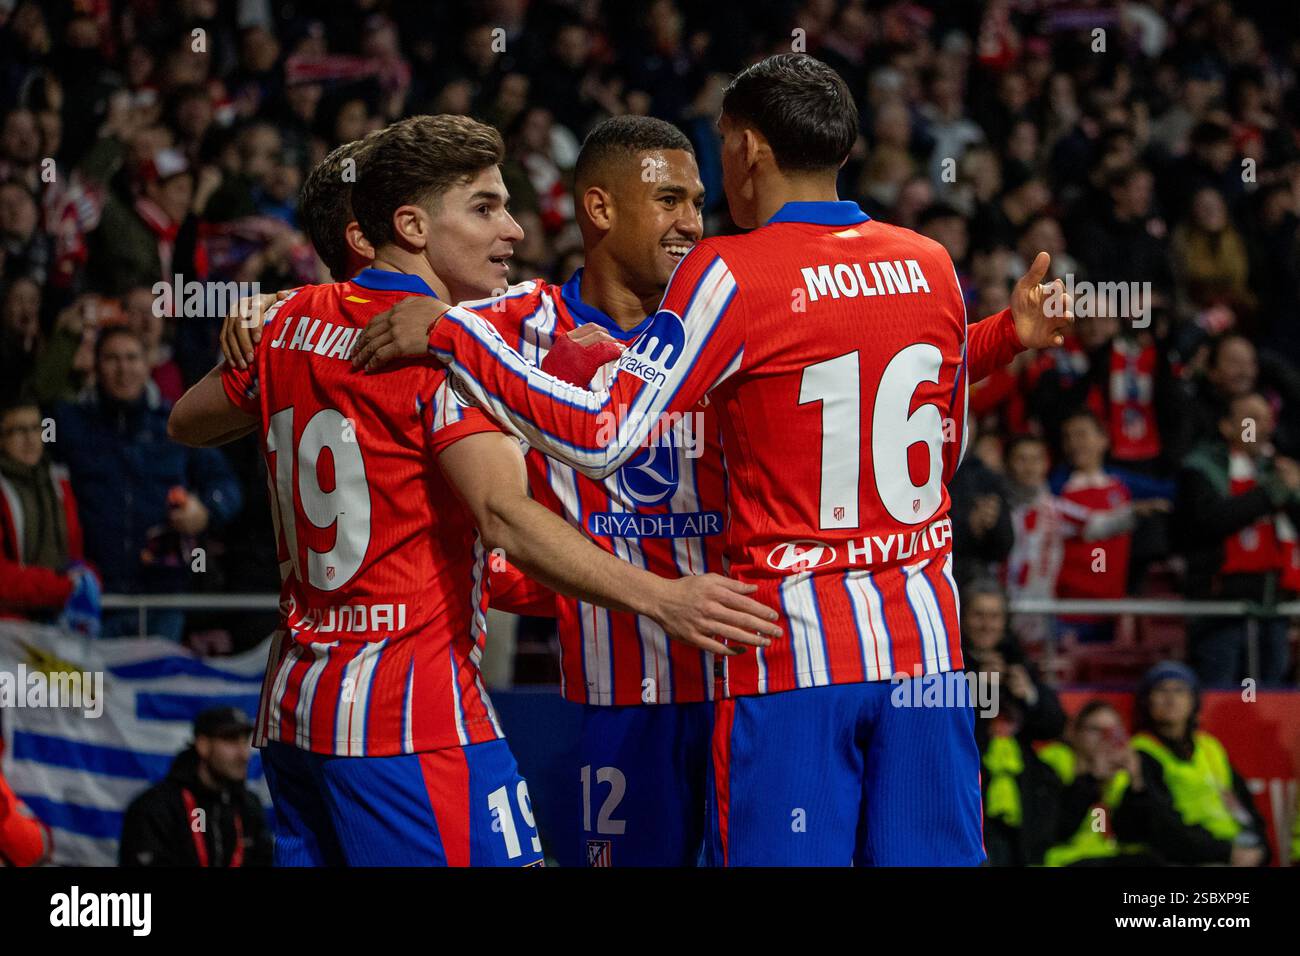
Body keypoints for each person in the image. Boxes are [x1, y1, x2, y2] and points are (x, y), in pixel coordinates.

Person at [357, 55, 1074, 865]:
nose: (694, 219)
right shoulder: (928, 260)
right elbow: (884, 389)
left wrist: (455, 338)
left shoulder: (729, 277)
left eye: (701, 189)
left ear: (746, 150)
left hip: (780, 651)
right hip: (885, 651)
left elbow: (602, 432)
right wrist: (1004, 337)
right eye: (670, 199)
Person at [168, 114, 779, 867]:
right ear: (413, 225)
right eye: (486, 208)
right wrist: (663, 598)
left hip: (297, 704)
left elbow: (188, 421)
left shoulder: (292, 321)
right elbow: (503, 516)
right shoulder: (452, 352)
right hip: (412, 711)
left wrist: (263, 322)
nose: (515, 230)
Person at [52, 327, 242, 641]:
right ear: (95, 365)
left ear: (147, 364)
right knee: (92, 691)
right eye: (112, 359)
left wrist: (204, 511)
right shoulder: (71, 423)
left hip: (163, 601)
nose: (123, 368)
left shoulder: (176, 423)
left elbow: (227, 485)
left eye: (132, 358)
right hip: (94, 600)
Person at [1175, 392, 1300, 686]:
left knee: (1269, 699)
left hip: (1274, 608)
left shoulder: (1280, 469)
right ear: (1227, 427)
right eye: (1252, 419)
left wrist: (1293, 494)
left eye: (1267, 419)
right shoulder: (1201, 468)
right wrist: (1270, 493)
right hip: (1219, 610)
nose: (1264, 427)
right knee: (1222, 694)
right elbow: (1209, 522)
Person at [1123, 662, 1270, 866]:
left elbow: (1242, 803)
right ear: (1147, 701)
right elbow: (1163, 825)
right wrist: (1226, 853)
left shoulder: (1209, 747)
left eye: (1180, 690)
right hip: (1191, 857)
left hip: (1237, 849)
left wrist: (1259, 846)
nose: (1171, 699)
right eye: (1161, 690)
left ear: (1193, 701)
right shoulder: (1140, 753)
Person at [119, 706, 272, 867]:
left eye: (245, 741)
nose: (244, 754)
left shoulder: (249, 807)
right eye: (231, 740)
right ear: (203, 745)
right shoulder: (155, 808)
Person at [0, 399, 99, 626]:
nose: (30, 438)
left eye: (36, 428)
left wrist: (87, 577)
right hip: (10, 626)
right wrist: (63, 586)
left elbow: (73, 553)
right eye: (18, 430)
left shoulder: (58, 482)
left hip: (57, 619)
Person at [1037, 700, 1160, 866]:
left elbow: (1132, 835)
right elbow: (1054, 832)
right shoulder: (1056, 761)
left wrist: (1137, 784)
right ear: (1075, 732)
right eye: (1095, 730)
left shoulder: (1118, 774)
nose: (1105, 738)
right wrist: (1091, 780)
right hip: (1064, 858)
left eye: (1113, 731)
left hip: (1105, 855)